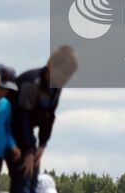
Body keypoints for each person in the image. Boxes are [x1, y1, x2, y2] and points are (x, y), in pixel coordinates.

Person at [7, 46, 78, 193]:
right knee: (23, 182)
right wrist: (27, 151)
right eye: (64, 73)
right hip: (12, 132)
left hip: (28, 135)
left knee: (33, 182)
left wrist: (42, 144)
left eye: (69, 76)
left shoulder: (56, 86)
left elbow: (50, 116)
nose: (66, 79)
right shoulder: (32, 83)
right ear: (51, 66)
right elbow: (22, 118)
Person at [0, 65, 19, 186]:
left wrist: (12, 145)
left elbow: (6, 129)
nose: (3, 92)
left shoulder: (6, 104)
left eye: (6, 89)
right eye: (0, 88)